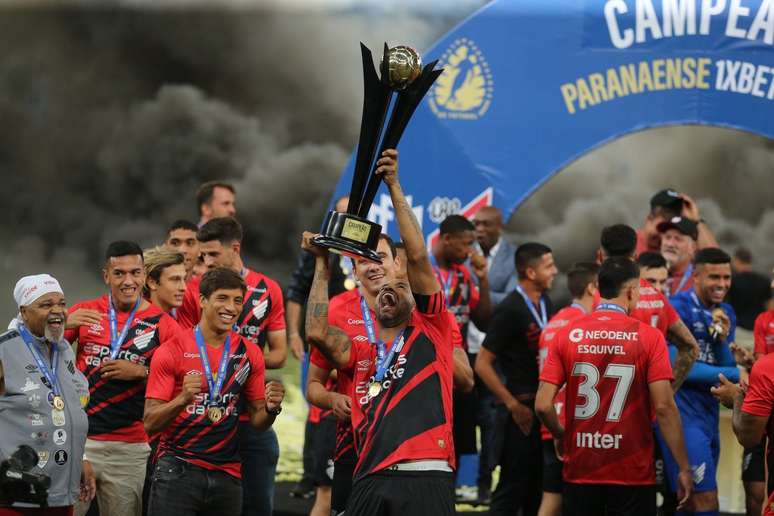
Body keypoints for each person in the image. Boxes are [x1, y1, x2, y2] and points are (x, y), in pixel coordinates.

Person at [305, 148, 456, 515]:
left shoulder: (431, 323)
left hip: (426, 473)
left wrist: (394, 185)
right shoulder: (361, 348)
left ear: (400, 268)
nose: (374, 270)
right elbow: (316, 331)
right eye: (362, 261)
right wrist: (322, 263)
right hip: (368, 471)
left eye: (398, 286)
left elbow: (418, 256)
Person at [536, 257, 693, 516]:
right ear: (631, 291)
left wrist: (560, 434)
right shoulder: (650, 337)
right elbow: (664, 407)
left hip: (581, 468)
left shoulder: (567, 334)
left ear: (598, 289)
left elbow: (543, 405)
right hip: (632, 472)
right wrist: (683, 467)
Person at [143, 267, 284, 516]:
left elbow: (258, 421)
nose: (231, 307)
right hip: (178, 470)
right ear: (202, 300)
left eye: (237, 300)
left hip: (227, 474)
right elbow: (150, 423)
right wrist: (182, 399)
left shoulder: (250, 353)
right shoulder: (172, 350)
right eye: (222, 298)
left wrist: (272, 409)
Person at [175, 217, 286, 516]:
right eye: (203, 256)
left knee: (257, 508)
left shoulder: (268, 289)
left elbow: (280, 354)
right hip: (204, 419)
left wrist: (242, 361)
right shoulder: (195, 291)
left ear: (235, 248)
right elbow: (184, 349)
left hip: (251, 418)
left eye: (213, 254)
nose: (207, 261)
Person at [65, 241, 180, 516]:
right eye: (119, 273)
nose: (128, 281)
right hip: (79, 441)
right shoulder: (85, 312)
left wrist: (143, 372)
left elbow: (181, 383)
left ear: (144, 276)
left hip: (129, 447)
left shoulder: (164, 324)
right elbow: (40, 355)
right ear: (106, 276)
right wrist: (58, 327)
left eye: (135, 273)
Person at [474, 242, 557, 515]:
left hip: (541, 408)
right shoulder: (511, 307)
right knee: (511, 487)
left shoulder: (545, 302)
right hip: (519, 412)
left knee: (537, 487)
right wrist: (512, 404)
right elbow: (482, 363)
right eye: (549, 266)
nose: (555, 271)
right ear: (531, 272)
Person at [0, 275, 95, 514]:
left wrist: (82, 457)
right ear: (24, 312)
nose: (58, 311)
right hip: (16, 496)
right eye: (46, 304)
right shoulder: (4, 350)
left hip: (62, 491)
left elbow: (69, 409)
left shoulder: (63, 349)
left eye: (62, 303)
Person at [659, 247, 741, 515]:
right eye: (714, 277)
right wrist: (738, 375)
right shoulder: (677, 307)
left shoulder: (726, 311)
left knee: (689, 503)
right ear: (696, 276)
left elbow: (726, 367)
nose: (722, 284)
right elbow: (677, 366)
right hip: (683, 414)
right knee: (706, 500)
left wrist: (721, 341)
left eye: (727, 277)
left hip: (709, 414)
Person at [285, 195, 353, 499]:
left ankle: (338, 474)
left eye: (352, 214)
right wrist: (294, 334)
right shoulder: (322, 248)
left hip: (359, 340)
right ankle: (311, 475)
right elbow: (297, 291)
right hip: (324, 337)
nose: (347, 220)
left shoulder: (373, 251)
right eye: (342, 214)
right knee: (317, 403)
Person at [431, 214, 491, 496]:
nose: (470, 251)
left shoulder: (464, 275)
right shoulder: (420, 271)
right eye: (466, 244)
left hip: (458, 373)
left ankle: (450, 498)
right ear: (447, 239)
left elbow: (484, 320)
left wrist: (483, 278)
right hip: (428, 373)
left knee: (456, 443)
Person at [597, 224, 699, 391]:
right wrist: (667, 392)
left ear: (600, 257)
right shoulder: (656, 295)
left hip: (602, 400)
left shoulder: (596, 295)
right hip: (645, 401)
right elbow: (690, 347)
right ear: (635, 256)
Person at [536, 262, 599, 516]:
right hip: (575, 426)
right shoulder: (585, 325)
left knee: (552, 499)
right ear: (592, 288)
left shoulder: (553, 322)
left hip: (550, 422)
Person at [468, 205, 517, 504]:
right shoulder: (465, 251)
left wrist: (475, 293)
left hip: (495, 353)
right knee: (463, 420)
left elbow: (512, 299)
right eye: (476, 224)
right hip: (464, 349)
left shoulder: (513, 256)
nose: (479, 230)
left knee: (492, 421)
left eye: (486, 225)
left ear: (500, 226)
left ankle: (485, 485)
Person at [636, 189, 718, 257]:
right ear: (649, 219)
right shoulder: (632, 243)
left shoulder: (681, 249)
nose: (669, 241)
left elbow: (716, 261)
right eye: (665, 218)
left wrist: (696, 220)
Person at [727, 247, 771, 331]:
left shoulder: (732, 281)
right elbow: (770, 306)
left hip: (739, 327)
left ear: (737, 261)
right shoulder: (764, 280)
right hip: (759, 328)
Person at [658, 217, 699, 296]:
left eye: (678, 239)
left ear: (693, 247)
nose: (670, 244)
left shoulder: (698, 282)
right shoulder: (647, 273)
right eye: (667, 237)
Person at [143, 246, 187, 316]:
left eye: (184, 279)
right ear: (152, 283)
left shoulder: (180, 316)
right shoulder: (137, 320)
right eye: (175, 279)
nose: (184, 288)